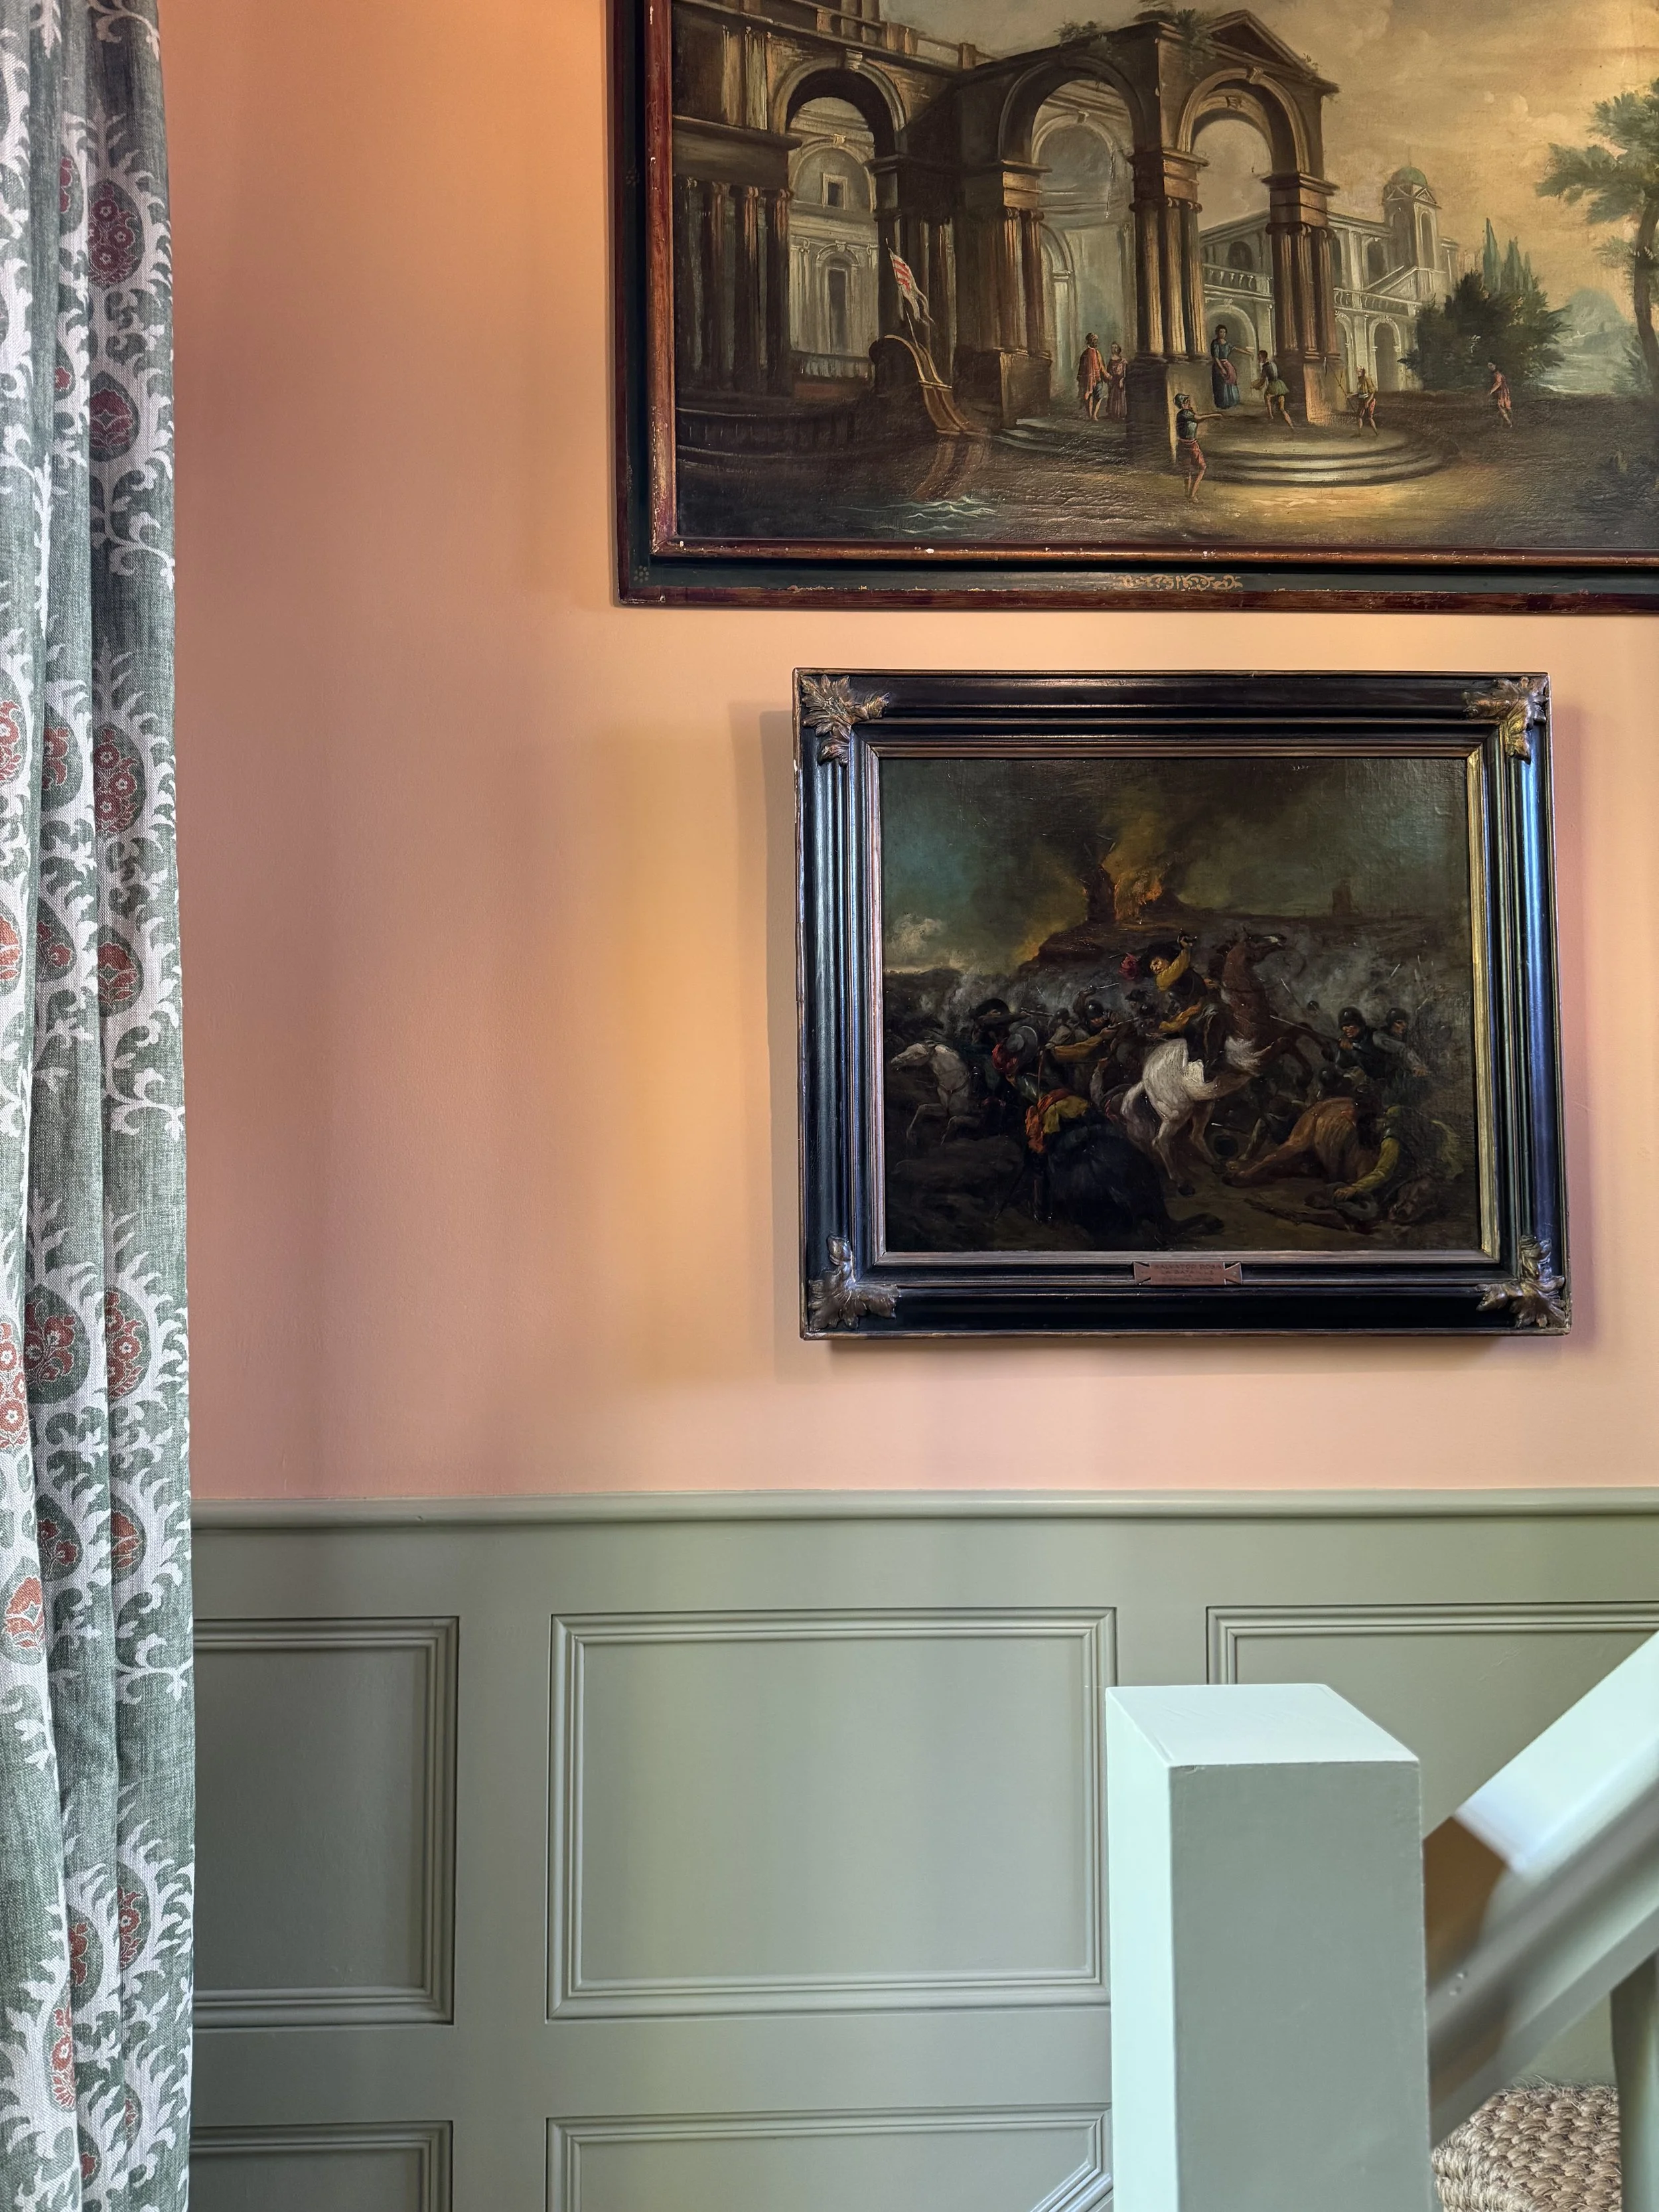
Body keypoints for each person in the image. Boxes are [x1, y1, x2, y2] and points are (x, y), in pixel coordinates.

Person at [1173, 392, 1220, 499]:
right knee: (1202, 467)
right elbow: (1199, 418)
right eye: (1188, 402)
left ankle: (1188, 494)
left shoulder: (1182, 414)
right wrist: (1215, 415)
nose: (1190, 403)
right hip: (1191, 445)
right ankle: (1192, 495)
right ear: (1185, 403)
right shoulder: (1185, 413)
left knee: (1188, 470)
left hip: (1182, 445)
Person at [1210, 323, 1241, 411]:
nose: (1223, 334)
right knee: (1221, 384)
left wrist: (1248, 353)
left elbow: (1236, 349)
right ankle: (1222, 403)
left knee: (1231, 382)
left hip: (1227, 365)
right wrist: (1222, 368)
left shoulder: (1227, 344)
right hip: (1219, 365)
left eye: (1224, 332)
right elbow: (1216, 357)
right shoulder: (1215, 343)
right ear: (1217, 333)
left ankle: (1232, 401)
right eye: (1221, 332)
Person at [1255, 354, 1292, 429]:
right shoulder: (1273, 363)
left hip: (1273, 385)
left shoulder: (1265, 367)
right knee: (1282, 409)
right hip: (1280, 384)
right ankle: (1291, 426)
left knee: (1267, 397)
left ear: (1263, 358)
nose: (1258, 359)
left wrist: (1256, 386)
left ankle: (1270, 416)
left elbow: (1262, 381)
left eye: (1259, 358)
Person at [1077, 332, 1106, 421]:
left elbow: (1101, 366)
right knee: (1091, 397)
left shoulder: (1097, 353)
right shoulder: (1086, 354)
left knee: (1097, 397)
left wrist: (1106, 375)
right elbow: (1082, 368)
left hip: (1097, 378)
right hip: (1089, 379)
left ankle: (1093, 415)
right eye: (1093, 340)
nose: (1095, 342)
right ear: (1089, 342)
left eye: (1096, 341)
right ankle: (1091, 415)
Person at [1104, 340, 1128, 420]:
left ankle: (1121, 414)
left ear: (1118, 349)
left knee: (1121, 396)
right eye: (1112, 347)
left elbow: (1125, 372)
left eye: (1116, 347)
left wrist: (1123, 379)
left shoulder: (1123, 360)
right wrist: (1109, 378)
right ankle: (1113, 413)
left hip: (1120, 381)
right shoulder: (1111, 361)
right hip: (1113, 381)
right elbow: (1108, 372)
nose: (1114, 349)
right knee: (1113, 396)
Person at [1353, 366, 1379, 437]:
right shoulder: (1360, 381)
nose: (1357, 373)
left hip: (1368, 400)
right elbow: (1360, 393)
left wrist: (1367, 402)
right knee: (1359, 416)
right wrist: (1350, 395)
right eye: (1357, 372)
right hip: (1362, 400)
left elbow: (1372, 393)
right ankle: (1359, 432)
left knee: (1369, 417)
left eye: (1359, 371)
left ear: (1363, 372)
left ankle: (1376, 432)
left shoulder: (1367, 379)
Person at [1487, 360, 1514, 429]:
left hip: (1502, 392)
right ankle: (1505, 422)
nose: (1490, 367)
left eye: (1491, 365)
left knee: (1501, 406)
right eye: (1489, 366)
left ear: (1495, 365)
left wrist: (1491, 391)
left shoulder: (1497, 374)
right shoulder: (1496, 373)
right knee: (1502, 407)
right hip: (1501, 392)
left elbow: (1498, 383)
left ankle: (1509, 422)